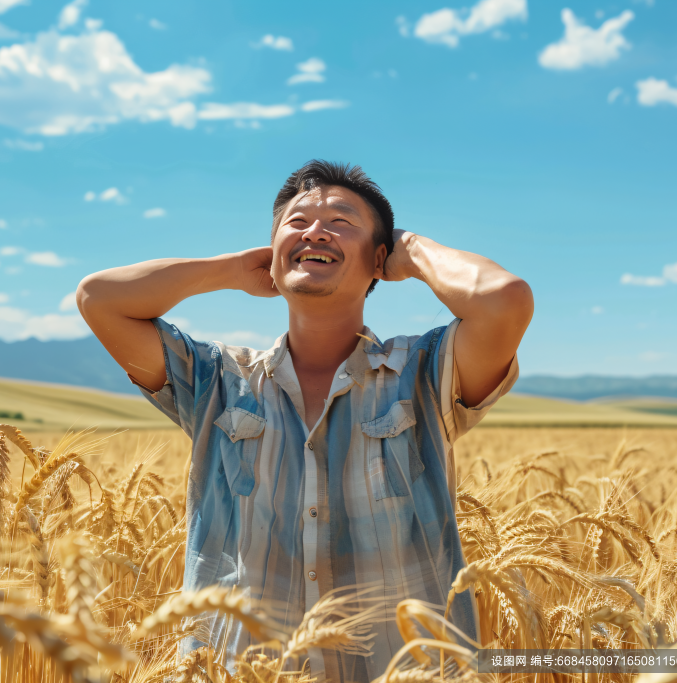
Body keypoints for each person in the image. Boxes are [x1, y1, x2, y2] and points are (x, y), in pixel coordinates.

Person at [76, 160, 533, 682]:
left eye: (341, 221)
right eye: (296, 222)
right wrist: (229, 270)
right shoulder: (218, 381)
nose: (315, 229)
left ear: (379, 260)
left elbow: (503, 300)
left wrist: (412, 250)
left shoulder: (425, 375)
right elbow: (99, 298)